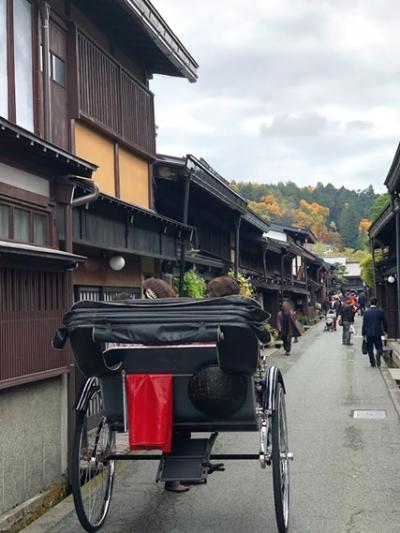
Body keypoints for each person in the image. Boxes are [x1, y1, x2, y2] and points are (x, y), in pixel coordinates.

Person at [362, 297, 388, 367]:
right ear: (377, 303)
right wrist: (386, 331)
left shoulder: (366, 313)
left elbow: (364, 324)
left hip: (368, 333)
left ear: (370, 303)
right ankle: (378, 354)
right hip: (377, 332)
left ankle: (372, 362)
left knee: (369, 348)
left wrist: (363, 333)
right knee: (379, 346)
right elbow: (384, 322)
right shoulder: (380, 312)